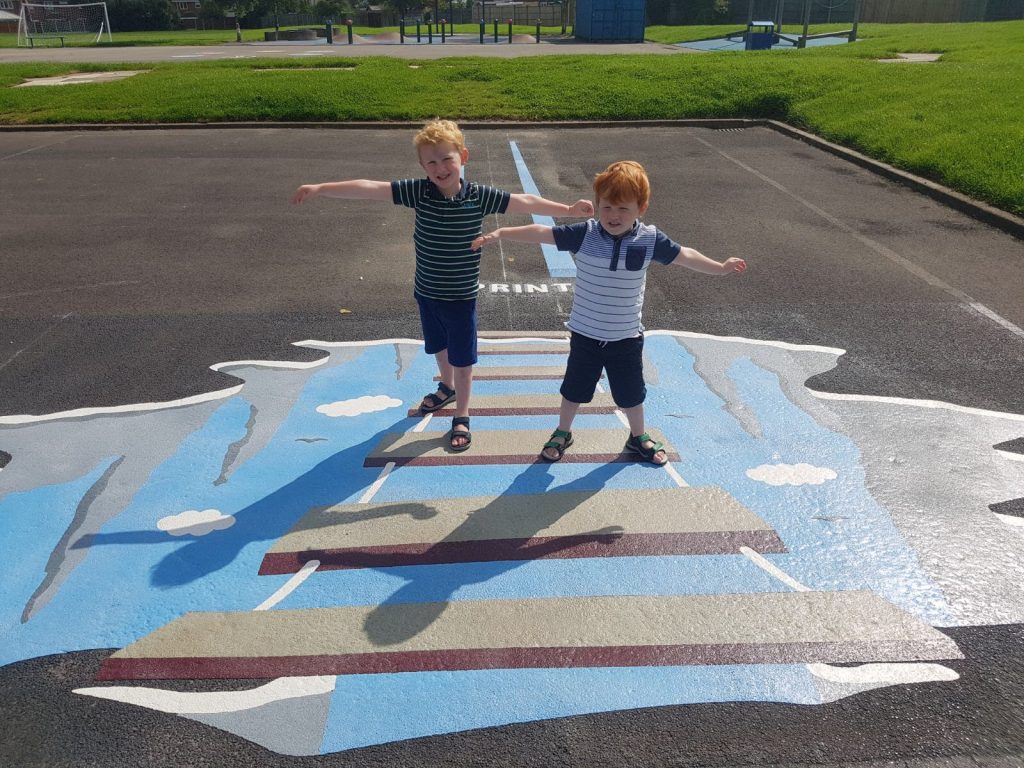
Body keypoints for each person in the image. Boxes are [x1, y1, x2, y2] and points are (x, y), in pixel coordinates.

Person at [292, 119, 593, 452]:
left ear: (463, 157)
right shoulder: (419, 191)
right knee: (438, 346)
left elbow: (523, 201)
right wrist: (322, 188)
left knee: (463, 359)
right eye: (431, 161)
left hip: (461, 298)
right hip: (427, 292)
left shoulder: (479, 197)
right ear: (422, 166)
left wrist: (565, 209)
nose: (439, 167)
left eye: (446, 158)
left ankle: (462, 414)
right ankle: (446, 387)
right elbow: (369, 187)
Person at [472, 160, 746, 464]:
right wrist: (502, 233)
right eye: (606, 208)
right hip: (586, 334)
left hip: (625, 337)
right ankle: (563, 431)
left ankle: (637, 436)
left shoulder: (650, 239)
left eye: (622, 209)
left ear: (641, 208)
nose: (613, 216)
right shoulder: (586, 233)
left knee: (631, 393)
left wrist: (720, 268)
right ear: (597, 205)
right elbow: (541, 232)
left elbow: (686, 256)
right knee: (574, 388)